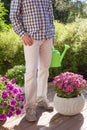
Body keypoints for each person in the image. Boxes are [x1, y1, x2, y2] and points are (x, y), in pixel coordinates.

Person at [10, 0, 55, 122]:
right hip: (31, 38)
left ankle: (41, 99)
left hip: (47, 37)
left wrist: (53, 33)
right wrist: (22, 34)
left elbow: (50, 13)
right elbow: (13, 15)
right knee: (31, 72)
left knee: (44, 70)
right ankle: (30, 107)